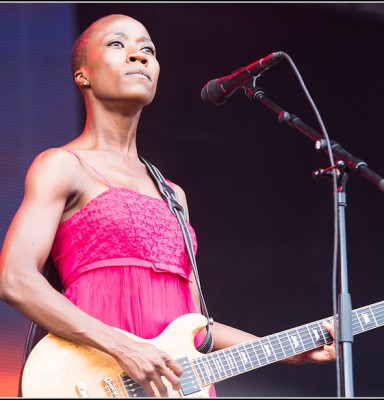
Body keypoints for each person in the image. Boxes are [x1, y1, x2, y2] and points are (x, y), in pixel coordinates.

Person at [0, 13, 336, 397]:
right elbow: (15, 279)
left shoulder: (174, 196)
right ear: (83, 74)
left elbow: (194, 328)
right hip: (92, 379)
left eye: (148, 50)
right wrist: (124, 347)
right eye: (117, 44)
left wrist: (287, 352)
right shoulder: (62, 165)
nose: (139, 56)